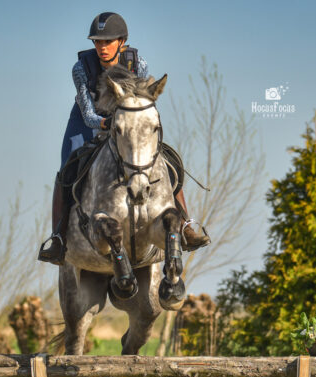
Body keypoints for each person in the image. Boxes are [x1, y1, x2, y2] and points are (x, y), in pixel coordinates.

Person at [38, 12, 210, 265]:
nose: (102, 47)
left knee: (168, 161)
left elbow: (143, 98)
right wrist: (109, 124)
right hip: (89, 121)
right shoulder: (80, 68)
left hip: (129, 117)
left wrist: (128, 125)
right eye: (97, 42)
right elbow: (88, 113)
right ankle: (59, 238)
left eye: (107, 42)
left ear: (122, 41)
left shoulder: (138, 63)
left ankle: (185, 225)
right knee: (67, 170)